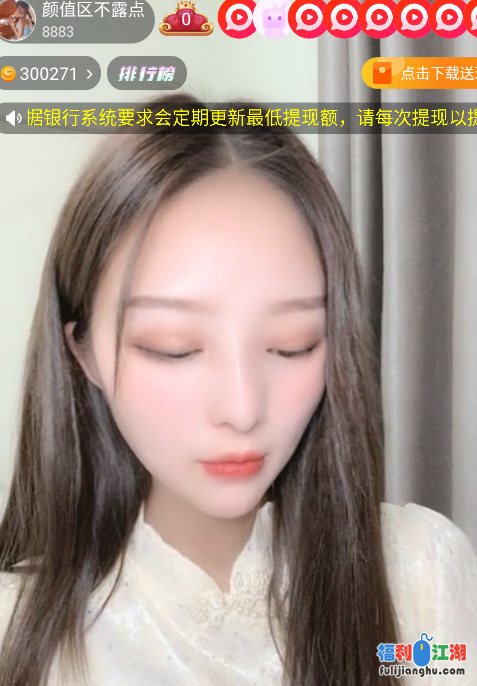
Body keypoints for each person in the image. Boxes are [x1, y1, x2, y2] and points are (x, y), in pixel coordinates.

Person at [0, 93, 476, 686]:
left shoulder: (419, 577)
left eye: (292, 344)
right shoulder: (16, 636)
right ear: (83, 351)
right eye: (174, 347)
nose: (243, 408)